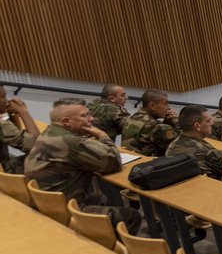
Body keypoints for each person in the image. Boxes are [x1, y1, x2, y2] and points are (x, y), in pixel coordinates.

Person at [23, 98, 140, 231]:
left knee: (101, 198)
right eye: (85, 116)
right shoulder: (70, 141)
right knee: (131, 216)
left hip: (48, 204)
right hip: (68, 209)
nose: (92, 119)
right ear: (66, 121)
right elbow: (113, 162)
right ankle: (111, 249)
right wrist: (102, 135)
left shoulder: (49, 133)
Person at [166, 105, 222, 180]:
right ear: (197, 126)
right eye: (208, 120)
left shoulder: (173, 145)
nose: (212, 123)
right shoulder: (206, 152)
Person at [121, 89, 178, 157]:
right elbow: (180, 145)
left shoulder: (132, 117)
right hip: (149, 165)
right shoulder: (155, 125)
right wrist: (176, 121)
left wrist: (167, 122)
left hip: (129, 160)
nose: (168, 108)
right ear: (152, 106)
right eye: (165, 104)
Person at [0, 85, 39, 173]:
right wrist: (23, 111)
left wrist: (13, 114)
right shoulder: (2, 124)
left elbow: (15, 134)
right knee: (44, 158)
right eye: (3, 96)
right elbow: (36, 146)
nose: (6, 100)